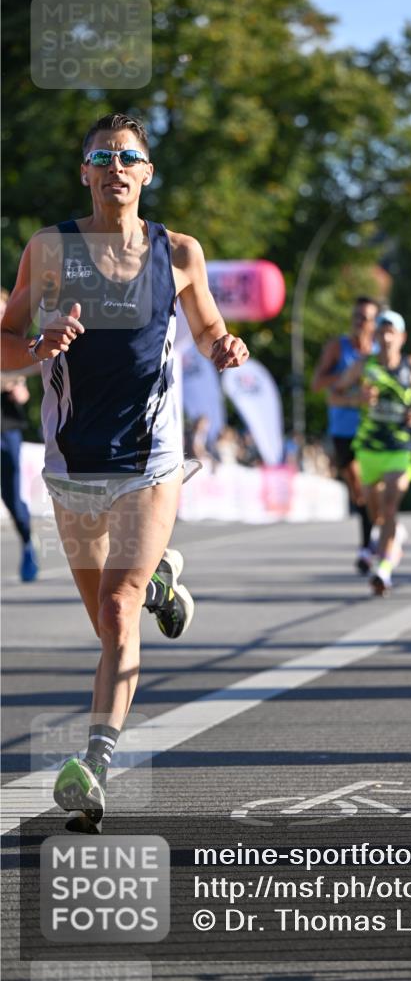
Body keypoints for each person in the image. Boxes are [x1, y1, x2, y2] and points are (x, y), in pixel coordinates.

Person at [0, 113, 249, 821]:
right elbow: (3, 344)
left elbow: (206, 332)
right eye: (101, 156)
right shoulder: (48, 250)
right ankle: (161, 582)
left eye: (129, 157)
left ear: (146, 173)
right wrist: (39, 348)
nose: (115, 166)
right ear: (85, 172)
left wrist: (226, 347)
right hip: (73, 462)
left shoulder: (181, 253)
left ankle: (94, 763)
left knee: (116, 609)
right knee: (107, 622)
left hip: (149, 461)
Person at [335, 310, 411, 595]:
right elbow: (334, 394)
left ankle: (384, 569)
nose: (387, 337)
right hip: (369, 448)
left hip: (399, 448)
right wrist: (357, 398)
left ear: (402, 337)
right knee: (374, 508)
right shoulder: (364, 366)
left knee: (389, 505)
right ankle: (392, 535)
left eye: (392, 332)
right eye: (382, 332)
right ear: (375, 336)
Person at [312, 296, 380, 574]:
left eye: (366, 318)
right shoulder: (338, 349)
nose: (360, 323)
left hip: (372, 429)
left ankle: (368, 545)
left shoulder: (380, 350)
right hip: (342, 428)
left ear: (375, 322)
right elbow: (317, 383)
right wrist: (344, 381)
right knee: (357, 488)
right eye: (357, 317)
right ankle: (372, 534)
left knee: (368, 485)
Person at [1, 353, 39, 580]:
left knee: (12, 498)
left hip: (5, 430)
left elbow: (23, 393)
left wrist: (16, 387)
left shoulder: (7, 342)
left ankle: (27, 543)